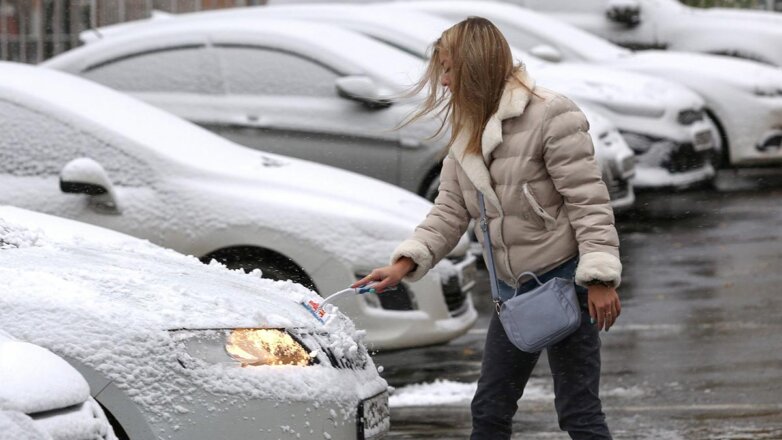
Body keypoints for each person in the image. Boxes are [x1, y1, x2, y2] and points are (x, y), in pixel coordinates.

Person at [352, 17, 622, 439]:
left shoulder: (552, 113)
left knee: (578, 413)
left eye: (448, 68)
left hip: (566, 283)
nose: (443, 81)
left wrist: (601, 277)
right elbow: (450, 210)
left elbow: (588, 201)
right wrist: (404, 264)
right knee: (490, 410)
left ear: (474, 65)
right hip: (513, 292)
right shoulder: (468, 128)